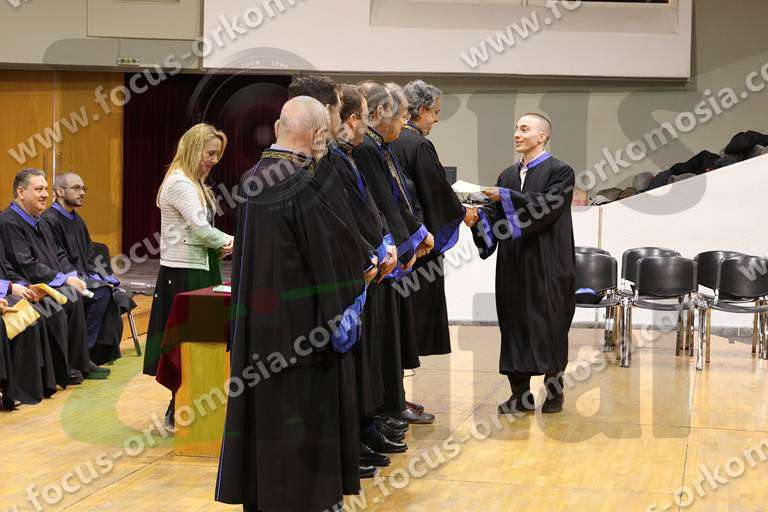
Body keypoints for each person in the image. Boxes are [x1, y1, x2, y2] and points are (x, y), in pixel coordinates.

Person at [216, 96, 375, 512]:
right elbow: (334, 258)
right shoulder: (303, 183)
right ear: (319, 135)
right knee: (300, 430)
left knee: (264, 427)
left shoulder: (252, 178)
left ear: (277, 128)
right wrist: (363, 272)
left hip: (257, 331)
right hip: (302, 334)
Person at [288, 77, 404, 473]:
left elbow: (365, 208)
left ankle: (358, 435)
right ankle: (346, 445)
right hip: (336, 279)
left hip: (361, 267)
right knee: (343, 366)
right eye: (342, 110)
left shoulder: (338, 156)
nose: (355, 121)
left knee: (359, 364)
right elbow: (336, 223)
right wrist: (368, 255)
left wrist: (384, 244)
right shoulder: (310, 165)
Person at [467, 113, 575, 414]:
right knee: (513, 325)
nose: (517, 134)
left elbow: (547, 207)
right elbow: (495, 214)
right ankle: (520, 395)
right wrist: (477, 217)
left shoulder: (561, 172)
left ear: (542, 136)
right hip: (513, 264)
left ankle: (554, 392)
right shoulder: (507, 175)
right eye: (516, 129)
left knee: (551, 326)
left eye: (524, 129)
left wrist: (505, 196)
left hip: (548, 264)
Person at [353, 82, 436, 426]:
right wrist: (406, 243)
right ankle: (380, 410)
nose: (404, 123)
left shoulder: (379, 147)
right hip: (378, 254)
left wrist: (415, 237)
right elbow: (381, 205)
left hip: (389, 249)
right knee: (377, 340)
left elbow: (396, 199)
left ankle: (388, 404)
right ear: (380, 114)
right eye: (401, 116)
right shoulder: (366, 148)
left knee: (388, 338)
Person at [143, 123, 234, 428]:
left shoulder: (194, 183)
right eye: (210, 153)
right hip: (183, 273)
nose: (214, 161)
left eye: (218, 155)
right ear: (194, 149)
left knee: (201, 341)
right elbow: (201, 230)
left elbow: (200, 234)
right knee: (188, 342)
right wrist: (235, 242)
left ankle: (192, 404)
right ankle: (178, 406)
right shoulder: (181, 183)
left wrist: (219, 247)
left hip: (199, 267)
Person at [389, 80, 475, 361]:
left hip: (392, 242)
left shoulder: (386, 143)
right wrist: (463, 212)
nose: (436, 119)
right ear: (422, 109)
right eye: (435, 112)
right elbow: (437, 193)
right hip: (419, 245)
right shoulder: (419, 145)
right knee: (414, 318)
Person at [0, 168, 106, 384]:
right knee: (60, 302)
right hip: (25, 284)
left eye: (46, 189)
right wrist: (62, 280)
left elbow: (56, 254)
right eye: (39, 189)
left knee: (75, 295)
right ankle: (59, 371)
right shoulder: (9, 222)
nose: (45, 195)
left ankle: (77, 363)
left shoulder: (38, 220)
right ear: (20, 192)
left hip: (44, 281)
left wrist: (69, 276)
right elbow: (24, 264)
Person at [41, 172, 135, 366]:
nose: (82, 193)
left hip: (82, 276)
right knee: (102, 293)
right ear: (60, 191)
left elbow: (89, 254)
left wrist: (105, 276)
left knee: (115, 294)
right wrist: (76, 278)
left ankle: (96, 355)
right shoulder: (49, 220)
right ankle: (84, 353)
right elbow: (57, 255)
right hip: (64, 279)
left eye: (83, 189)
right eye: (76, 188)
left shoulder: (77, 220)